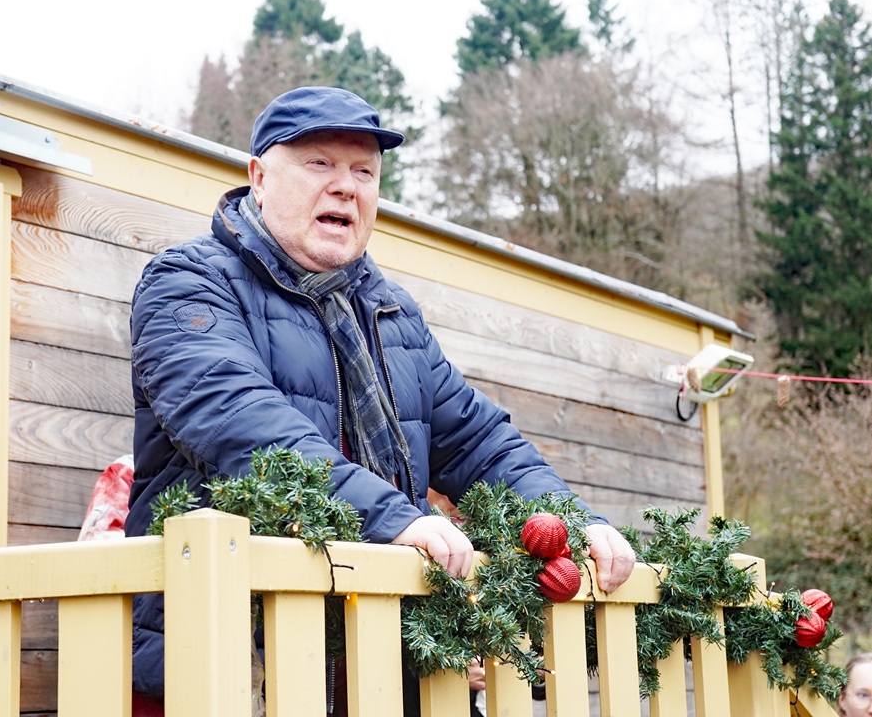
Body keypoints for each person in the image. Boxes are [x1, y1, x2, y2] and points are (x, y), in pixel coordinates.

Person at [125, 86, 636, 710]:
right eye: (319, 163)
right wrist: (393, 519)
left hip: (380, 664)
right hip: (227, 661)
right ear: (258, 177)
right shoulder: (189, 281)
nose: (347, 187)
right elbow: (238, 422)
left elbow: (475, 441)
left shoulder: (390, 313)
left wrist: (572, 520)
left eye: (364, 171)